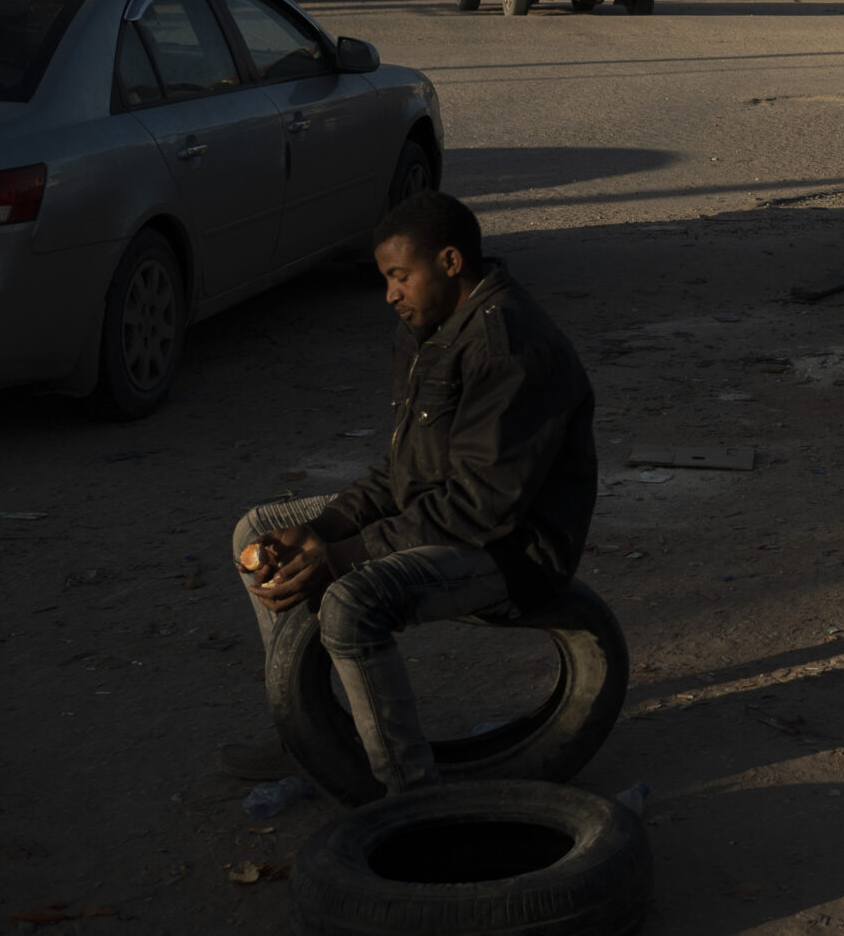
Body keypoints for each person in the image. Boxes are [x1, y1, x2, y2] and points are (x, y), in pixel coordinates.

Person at [223, 191, 597, 797]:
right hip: (444, 519)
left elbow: (481, 508)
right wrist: (327, 528)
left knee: (350, 602)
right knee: (259, 532)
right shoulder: (431, 326)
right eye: (386, 279)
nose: (391, 293)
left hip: (510, 550)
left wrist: (341, 556)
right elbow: (403, 469)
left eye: (400, 276)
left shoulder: (508, 347)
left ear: (449, 263)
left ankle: (413, 802)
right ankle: (310, 731)